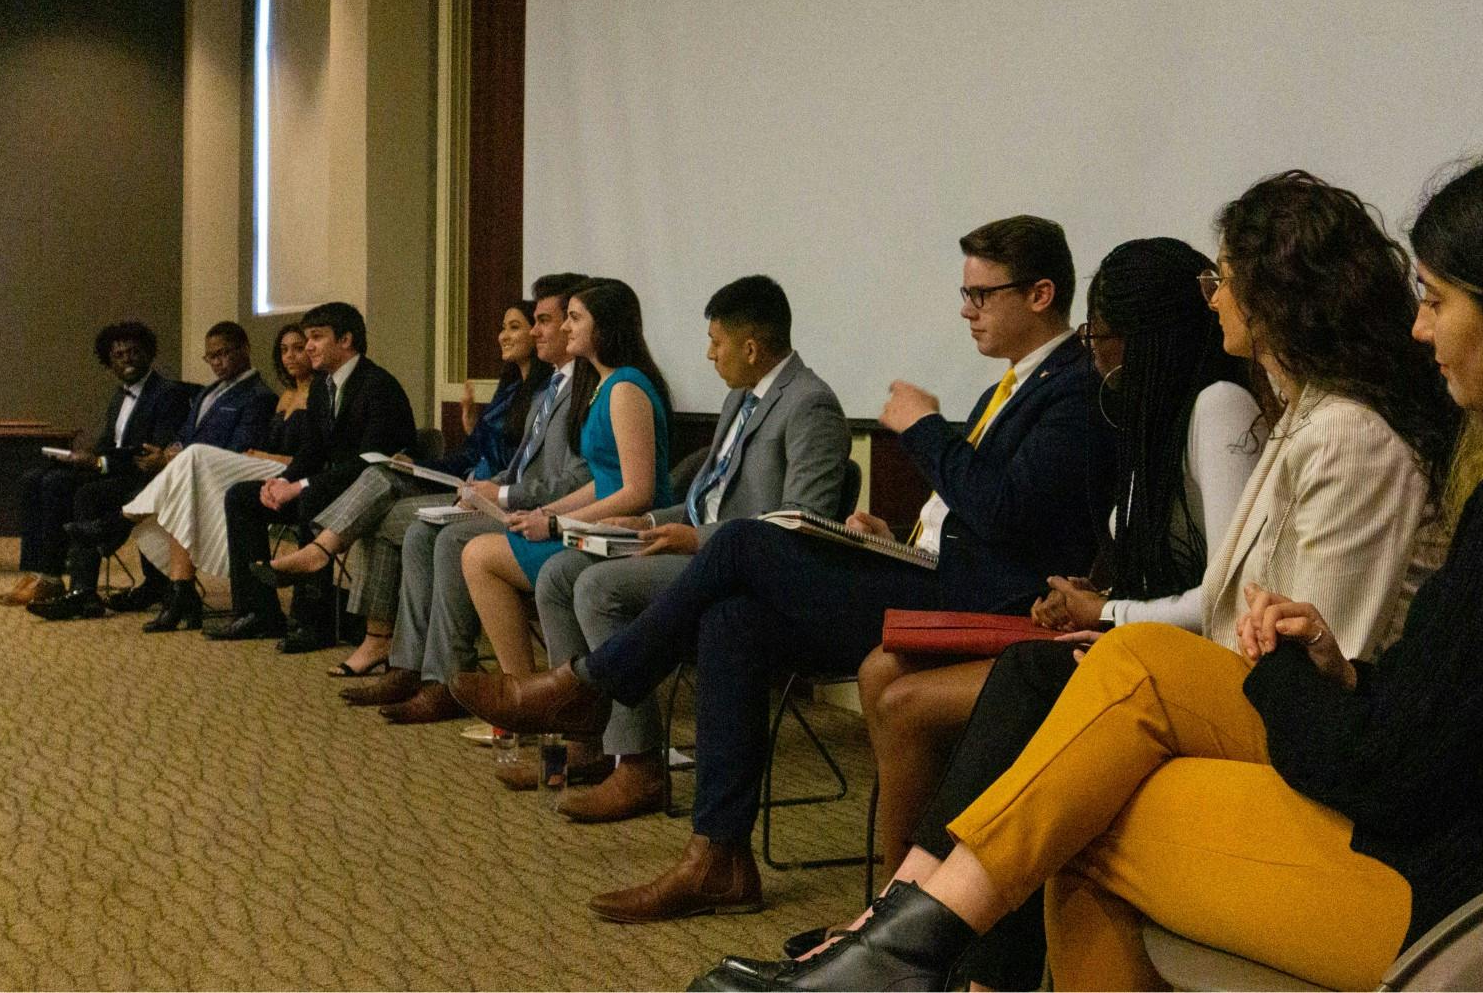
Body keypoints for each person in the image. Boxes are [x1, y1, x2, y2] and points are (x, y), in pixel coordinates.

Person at [689, 136, 1483, 992]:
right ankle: (899, 948)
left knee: (1086, 809)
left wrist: (1283, 677)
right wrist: (1339, 673)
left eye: (1440, 302)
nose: (1420, 333)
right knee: (1119, 692)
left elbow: (1396, 772)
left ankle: (899, 946)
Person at [793, 180, 1461, 986]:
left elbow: (1321, 654)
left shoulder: (1337, 429)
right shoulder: (1301, 414)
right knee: (1043, 691)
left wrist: (1119, 629)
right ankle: (912, 943)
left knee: (1066, 735)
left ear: (1283, 293)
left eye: (1223, 277)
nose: (1212, 299)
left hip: (1315, 740)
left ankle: (906, 943)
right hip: (1250, 698)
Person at [455, 215, 1114, 923]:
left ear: (1041, 294)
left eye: (981, 295)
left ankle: (591, 686)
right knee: (733, 619)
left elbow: (1014, 519)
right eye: (965, 293)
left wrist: (925, 429)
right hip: (938, 571)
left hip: (990, 605)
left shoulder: (1075, 391)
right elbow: (980, 511)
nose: (965, 310)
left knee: (740, 544)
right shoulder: (1011, 388)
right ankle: (719, 859)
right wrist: (887, 530)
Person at [849, 238, 1262, 937]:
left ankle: (905, 922)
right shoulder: (1154, 413)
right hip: (1126, 636)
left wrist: (1106, 608)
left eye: (1099, 337)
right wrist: (1089, 595)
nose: (1091, 353)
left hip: (1175, 662)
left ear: (1141, 336)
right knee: (885, 670)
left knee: (913, 700)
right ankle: (902, 914)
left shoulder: (1217, 405)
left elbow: (1227, 597)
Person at [523, 275, 851, 820]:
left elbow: (800, 523)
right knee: (560, 573)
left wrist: (695, 539)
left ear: (750, 347)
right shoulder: (740, 398)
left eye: (716, 343)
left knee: (598, 587)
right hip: (700, 549)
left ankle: (639, 767)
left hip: (748, 571)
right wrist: (648, 519)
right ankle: (585, 739)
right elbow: (708, 502)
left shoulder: (810, 405)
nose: (708, 355)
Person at [340, 274, 594, 723]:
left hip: (552, 516)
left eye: (547, 321)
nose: (536, 332)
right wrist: (481, 490)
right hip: (516, 501)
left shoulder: (586, 391)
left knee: (450, 540)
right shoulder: (551, 387)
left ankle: (448, 681)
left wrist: (502, 492)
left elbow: (578, 479)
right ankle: (411, 666)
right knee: (423, 532)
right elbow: (519, 464)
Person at [254, 300, 550, 676]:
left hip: (499, 499)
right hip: (466, 486)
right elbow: (468, 457)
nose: (503, 336)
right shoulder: (509, 393)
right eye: (505, 327)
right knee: (382, 484)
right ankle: (378, 638)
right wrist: (421, 465)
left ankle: (328, 563)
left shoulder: (545, 395)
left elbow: (522, 465)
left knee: (378, 493)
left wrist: (481, 463)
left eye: (516, 327)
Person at [461, 277, 677, 695]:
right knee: (479, 553)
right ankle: (530, 693)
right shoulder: (603, 385)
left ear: (605, 328)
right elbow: (601, 479)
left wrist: (559, 525)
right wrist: (548, 513)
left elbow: (637, 492)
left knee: (479, 554)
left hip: (626, 531)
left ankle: (531, 693)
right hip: (598, 524)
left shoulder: (626, 387)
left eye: (574, 318)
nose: (564, 328)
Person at [213, 301, 417, 650]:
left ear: (347, 340)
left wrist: (301, 486)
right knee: (242, 497)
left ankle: (313, 621)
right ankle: (258, 611)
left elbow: (371, 463)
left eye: (316, 338)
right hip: (332, 486)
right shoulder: (323, 387)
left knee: (311, 497)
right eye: (306, 338)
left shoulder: (379, 386)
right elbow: (313, 449)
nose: (308, 347)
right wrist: (282, 481)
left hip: (370, 493)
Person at [122, 324, 314, 631]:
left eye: (299, 347)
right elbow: (188, 434)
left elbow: (313, 456)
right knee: (186, 482)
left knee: (194, 459)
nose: (291, 355)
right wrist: (173, 451)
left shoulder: (283, 396)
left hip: (290, 474)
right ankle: (181, 589)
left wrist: (266, 458)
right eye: (284, 349)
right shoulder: (286, 396)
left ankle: (125, 518)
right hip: (255, 469)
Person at [0, 320, 188, 612]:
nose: (127, 360)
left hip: (142, 478)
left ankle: (73, 587)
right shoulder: (119, 395)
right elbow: (110, 441)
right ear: (108, 361)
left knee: (61, 486)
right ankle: (39, 573)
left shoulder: (166, 393)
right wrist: (85, 456)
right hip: (115, 470)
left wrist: (100, 462)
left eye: (134, 352)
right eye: (119, 356)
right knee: (34, 479)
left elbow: (152, 452)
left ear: (149, 353)